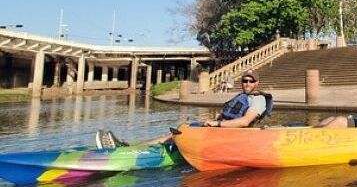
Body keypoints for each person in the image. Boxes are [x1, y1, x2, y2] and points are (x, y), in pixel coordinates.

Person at [95, 69, 272, 149]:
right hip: (220, 130)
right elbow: (224, 114)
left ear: (257, 83)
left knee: (179, 134)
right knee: (177, 131)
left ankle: (127, 149)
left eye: (251, 81)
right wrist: (214, 120)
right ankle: (129, 147)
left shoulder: (258, 100)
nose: (247, 83)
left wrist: (216, 125)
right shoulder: (240, 96)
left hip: (232, 137)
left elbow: (245, 121)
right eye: (245, 80)